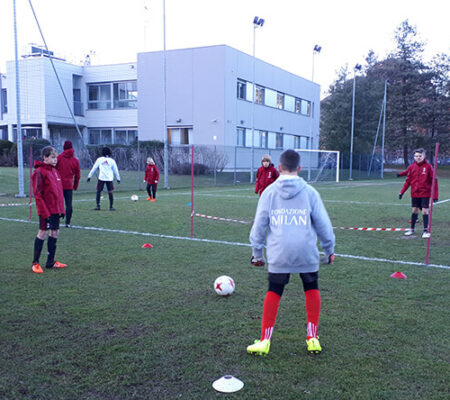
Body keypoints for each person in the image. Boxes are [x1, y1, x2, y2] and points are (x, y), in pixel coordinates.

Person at [248, 149, 335, 356]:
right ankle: (312, 337)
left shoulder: (269, 192)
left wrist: (257, 254)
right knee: (311, 287)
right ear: (300, 168)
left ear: (278, 168)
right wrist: (329, 250)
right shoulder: (310, 192)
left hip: (279, 252)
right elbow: (324, 225)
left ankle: (264, 341)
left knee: (274, 290)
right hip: (306, 251)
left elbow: (259, 225)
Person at [31, 146, 67, 273]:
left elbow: (59, 193)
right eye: (52, 157)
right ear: (45, 157)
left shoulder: (55, 172)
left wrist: (62, 209)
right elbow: (37, 194)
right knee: (42, 233)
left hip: (56, 210)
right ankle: (35, 263)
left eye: (56, 157)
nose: (55, 159)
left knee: (55, 233)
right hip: (46, 210)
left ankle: (50, 262)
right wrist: (44, 212)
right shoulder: (39, 172)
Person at [399, 148, 438, 238]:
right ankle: (412, 229)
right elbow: (408, 181)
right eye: (416, 156)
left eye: (420, 156)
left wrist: (435, 196)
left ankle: (425, 231)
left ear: (424, 156)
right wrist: (402, 192)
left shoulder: (428, 167)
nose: (418, 158)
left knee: (424, 211)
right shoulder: (412, 167)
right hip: (415, 193)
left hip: (425, 193)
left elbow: (434, 181)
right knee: (414, 210)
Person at [56, 140, 80, 227]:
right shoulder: (75, 160)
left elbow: (53, 170)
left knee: (57, 203)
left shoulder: (59, 158)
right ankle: (68, 222)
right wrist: (75, 185)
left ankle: (56, 220)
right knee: (69, 204)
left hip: (58, 184)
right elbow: (78, 175)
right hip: (69, 185)